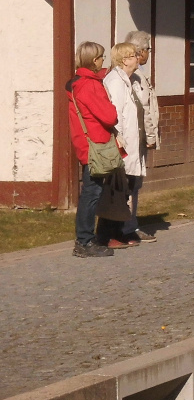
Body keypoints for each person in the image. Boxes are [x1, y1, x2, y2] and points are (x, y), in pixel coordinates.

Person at [66, 41, 118, 258]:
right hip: (94, 145)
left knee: (92, 191)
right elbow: (109, 115)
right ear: (93, 60)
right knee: (92, 192)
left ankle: (86, 238)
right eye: (101, 57)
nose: (103, 60)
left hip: (87, 143)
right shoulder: (89, 85)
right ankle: (85, 240)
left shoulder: (79, 83)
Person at [104, 42, 151, 246]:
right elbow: (117, 116)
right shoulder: (115, 81)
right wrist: (120, 143)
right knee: (119, 189)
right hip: (122, 144)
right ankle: (113, 233)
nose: (137, 59)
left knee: (128, 187)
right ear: (124, 60)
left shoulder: (130, 80)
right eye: (133, 56)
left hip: (133, 142)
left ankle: (123, 230)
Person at [123, 30, 159, 242]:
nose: (148, 54)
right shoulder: (135, 77)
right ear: (140, 51)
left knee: (134, 183)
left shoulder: (138, 74)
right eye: (148, 50)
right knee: (131, 183)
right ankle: (128, 226)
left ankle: (129, 224)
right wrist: (151, 135)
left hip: (137, 136)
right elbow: (143, 109)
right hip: (135, 137)